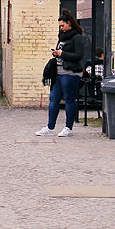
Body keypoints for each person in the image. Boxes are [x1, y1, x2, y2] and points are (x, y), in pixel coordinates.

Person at [36, 10, 89, 138]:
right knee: (53, 99)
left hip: (71, 73)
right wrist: (56, 53)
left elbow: (79, 55)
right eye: (60, 26)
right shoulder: (62, 37)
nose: (61, 28)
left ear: (69, 23)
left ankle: (68, 127)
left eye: (62, 25)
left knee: (69, 99)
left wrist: (62, 54)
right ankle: (50, 127)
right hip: (58, 72)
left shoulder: (77, 37)